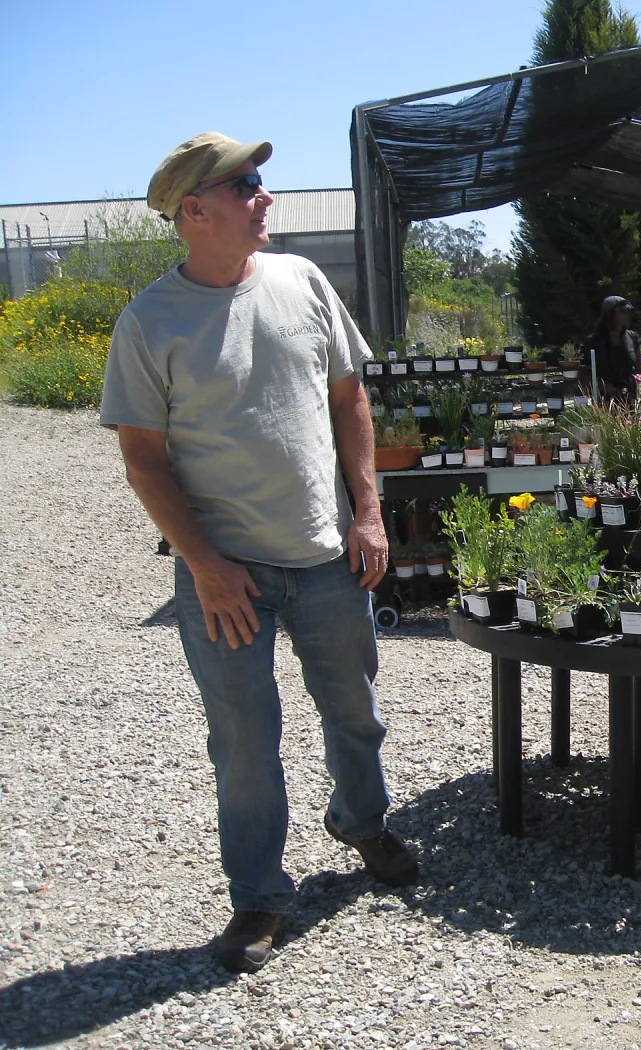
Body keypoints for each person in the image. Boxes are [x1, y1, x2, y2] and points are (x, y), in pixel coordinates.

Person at [100, 132, 419, 975]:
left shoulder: (303, 283)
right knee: (244, 739)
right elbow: (144, 460)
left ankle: (363, 823)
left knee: (354, 710)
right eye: (245, 186)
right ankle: (257, 898)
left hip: (324, 558)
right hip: (226, 576)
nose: (264, 196)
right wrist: (203, 564)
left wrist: (370, 513)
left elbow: (350, 401)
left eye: (261, 181)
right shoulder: (149, 322)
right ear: (193, 212)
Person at [586, 294, 641, 401]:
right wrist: (603, 387)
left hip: (629, 398)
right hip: (605, 400)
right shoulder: (593, 342)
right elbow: (585, 375)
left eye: (627, 311)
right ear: (610, 314)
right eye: (622, 311)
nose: (627, 315)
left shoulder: (633, 338)